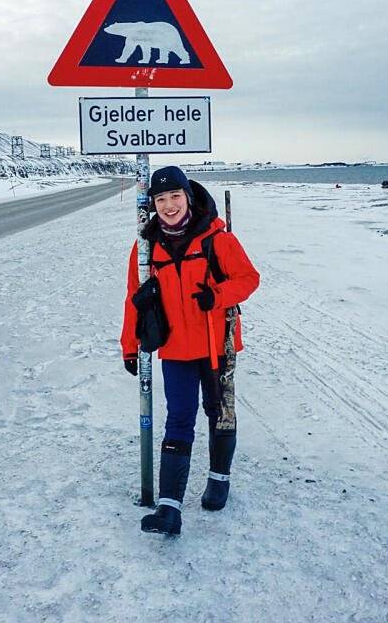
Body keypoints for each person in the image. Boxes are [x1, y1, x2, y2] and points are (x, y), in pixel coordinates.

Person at [120, 166, 260, 535]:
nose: (168, 206)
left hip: (218, 345)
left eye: (175, 197)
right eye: (160, 199)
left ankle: (218, 479)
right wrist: (130, 346)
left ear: (188, 196)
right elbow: (135, 300)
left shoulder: (217, 238)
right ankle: (169, 509)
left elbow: (249, 279)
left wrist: (217, 296)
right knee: (179, 419)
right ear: (152, 204)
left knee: (219, 413)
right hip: (176, 349)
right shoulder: (146, 247)